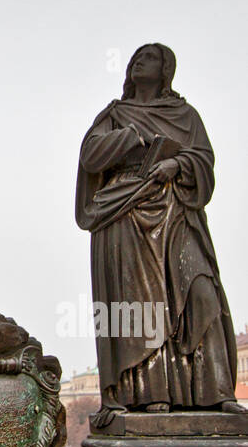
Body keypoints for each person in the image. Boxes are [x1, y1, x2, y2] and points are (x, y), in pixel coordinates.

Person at [76, 43, 240, 427]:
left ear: (166, 69)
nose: (137, 63)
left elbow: (203, 160)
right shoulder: (115, 115)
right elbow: (90, 156)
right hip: (125, 212)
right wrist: (131, 137)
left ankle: (215, 392)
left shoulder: (186, 115)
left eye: (147, 58)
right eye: (134, 58)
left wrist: (176, 162)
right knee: (140, 305)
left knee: (201, 290)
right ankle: (150, 396)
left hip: (176, 210)